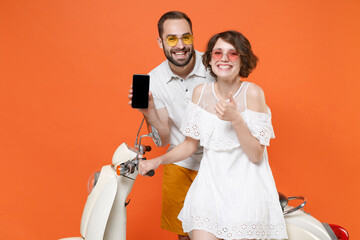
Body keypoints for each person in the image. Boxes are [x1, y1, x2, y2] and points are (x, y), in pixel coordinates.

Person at [139, 30, 288, 240]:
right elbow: (190, 145)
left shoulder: (253, 93)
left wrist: (236, 119)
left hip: (246, 193)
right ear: (210, 59)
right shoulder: (201, 93)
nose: (224, 59)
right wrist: (157, 161)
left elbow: (256, 155)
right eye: (218, 53)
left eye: (232, 53)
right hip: (209, 192)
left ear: (243, 58)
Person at [128, 11, 214, 240]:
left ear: (193, 37)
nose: (180, 45)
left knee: (223, 229)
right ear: (160, 41)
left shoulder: (214, 67)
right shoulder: (154, 80)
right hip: (180, 161)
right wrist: (149, 112)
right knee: (184, 234)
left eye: (186, 38)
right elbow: (164, 138)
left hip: (218, 162)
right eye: (172, 38)